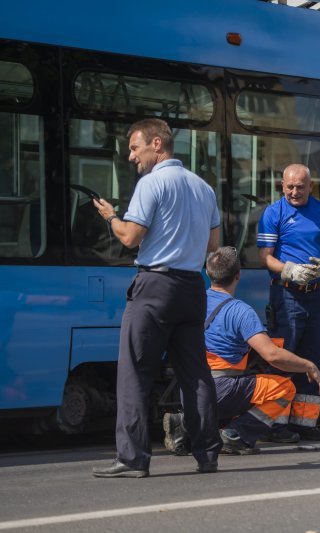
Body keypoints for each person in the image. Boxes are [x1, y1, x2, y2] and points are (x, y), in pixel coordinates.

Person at [91, 118, 221, 478]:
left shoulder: (151, 184)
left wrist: (111, 217)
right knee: (195, 374)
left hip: (155, 286)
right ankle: (207, 453)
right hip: (193, 288)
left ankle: (132, 459)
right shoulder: (204, 188)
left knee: (134, 371)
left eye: (135, 147)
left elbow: (131, 238)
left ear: (157, 145)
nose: (132, 156)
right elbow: (213, 247)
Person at [163, 247, 320, 455]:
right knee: (284, 387)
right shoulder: (240, 311)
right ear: (238, 275)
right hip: (219, 391)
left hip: (189, 389)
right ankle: (235, 434)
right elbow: (272, 355)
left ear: (207, 273)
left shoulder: (193, 302)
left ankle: (184, 423)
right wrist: (308, 364)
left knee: (241, 388)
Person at [257, 164, 320, 441]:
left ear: (310, 186)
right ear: (282, 185)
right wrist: (289, 270)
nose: (294, 192)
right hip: (286, 295)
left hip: (315, 295)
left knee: (312, 360)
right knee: (282, 359)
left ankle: (305, 425)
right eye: (290, 187)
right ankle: (276, 426)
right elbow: (265, 256)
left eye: (300, 187)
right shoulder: (274, 213)